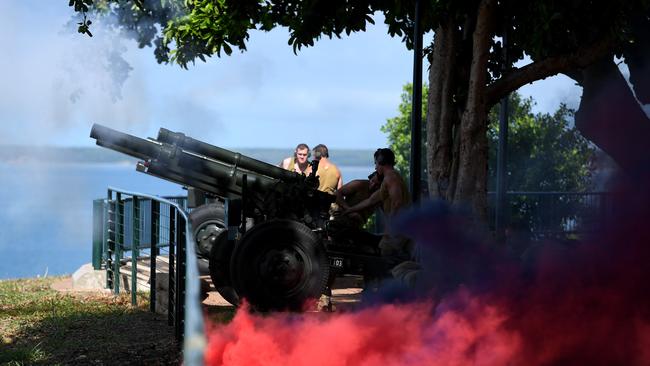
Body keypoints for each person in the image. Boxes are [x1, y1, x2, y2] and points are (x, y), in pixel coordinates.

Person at [344, 148, 412, 263]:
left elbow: (397, 202)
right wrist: (349, 210)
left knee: (386, 255)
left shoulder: (391, 177)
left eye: (376, 163)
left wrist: (391, 225)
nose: (375, 167)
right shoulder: (388, 179)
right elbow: (370, 201)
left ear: (381, 162)